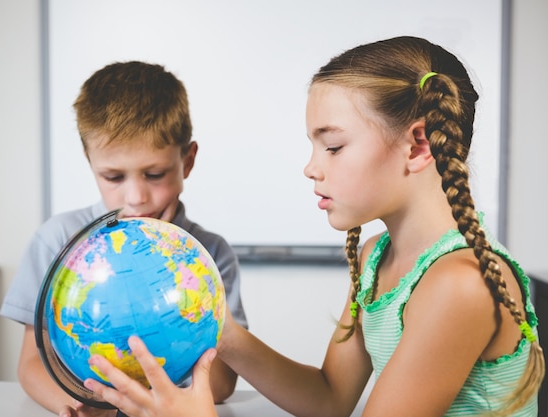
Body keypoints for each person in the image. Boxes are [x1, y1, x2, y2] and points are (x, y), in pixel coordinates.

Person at [82, 36, 545, 417]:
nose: (311, 168)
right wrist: (214, 325)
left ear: (418, 144)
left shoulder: (458, 286)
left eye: (333, 147)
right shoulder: (376, 257)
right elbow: (327, 398)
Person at [0, 61, 248, 417]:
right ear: (90, 163)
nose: (135, 197)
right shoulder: (56, 241)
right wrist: (81, 408)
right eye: (113, 177)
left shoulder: (210, 255)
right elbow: (31, 365)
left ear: (187, 161)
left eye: (155, 174)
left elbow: (221, 385)